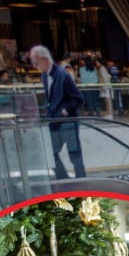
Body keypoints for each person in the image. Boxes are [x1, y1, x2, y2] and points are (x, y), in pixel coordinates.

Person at [30, 45, 86, 180]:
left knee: (74, 154)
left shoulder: (62, 75)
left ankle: (81, 181)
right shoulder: (45, 76)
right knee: (52, 152)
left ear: (44, 60)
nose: (35, 66)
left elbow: (78, 98)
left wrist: (64, 112)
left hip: (68, 122)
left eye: (36, 63)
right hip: (54, 121)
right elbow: (50, 97)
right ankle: (64, 179)